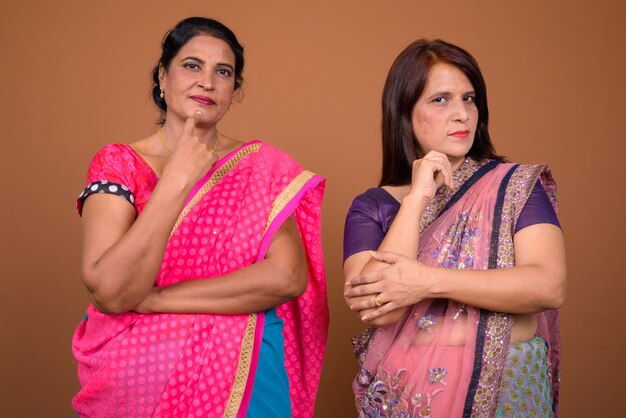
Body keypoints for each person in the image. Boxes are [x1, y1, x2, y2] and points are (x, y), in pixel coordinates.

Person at [72, 17, 327, 418]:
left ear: (233, 89)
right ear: (163, 76)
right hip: (133, 387)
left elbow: (286, 277)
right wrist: (175, 179)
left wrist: (156, 300)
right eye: (192, 65)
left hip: (247, 380)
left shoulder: (261, 167)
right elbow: (112, 292)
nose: (207, 81)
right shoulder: (119, 163)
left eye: (222, 72)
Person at [343, 39, 565, 417]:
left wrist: (427, 281)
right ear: (404, 112)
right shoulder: (373, 206)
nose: (462, 114)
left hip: (509, 393)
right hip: (412, 398)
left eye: (469, 98)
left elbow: (548, 285)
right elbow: (378, 309)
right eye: (440, 100)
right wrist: (416, 200)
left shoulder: (514, 187)